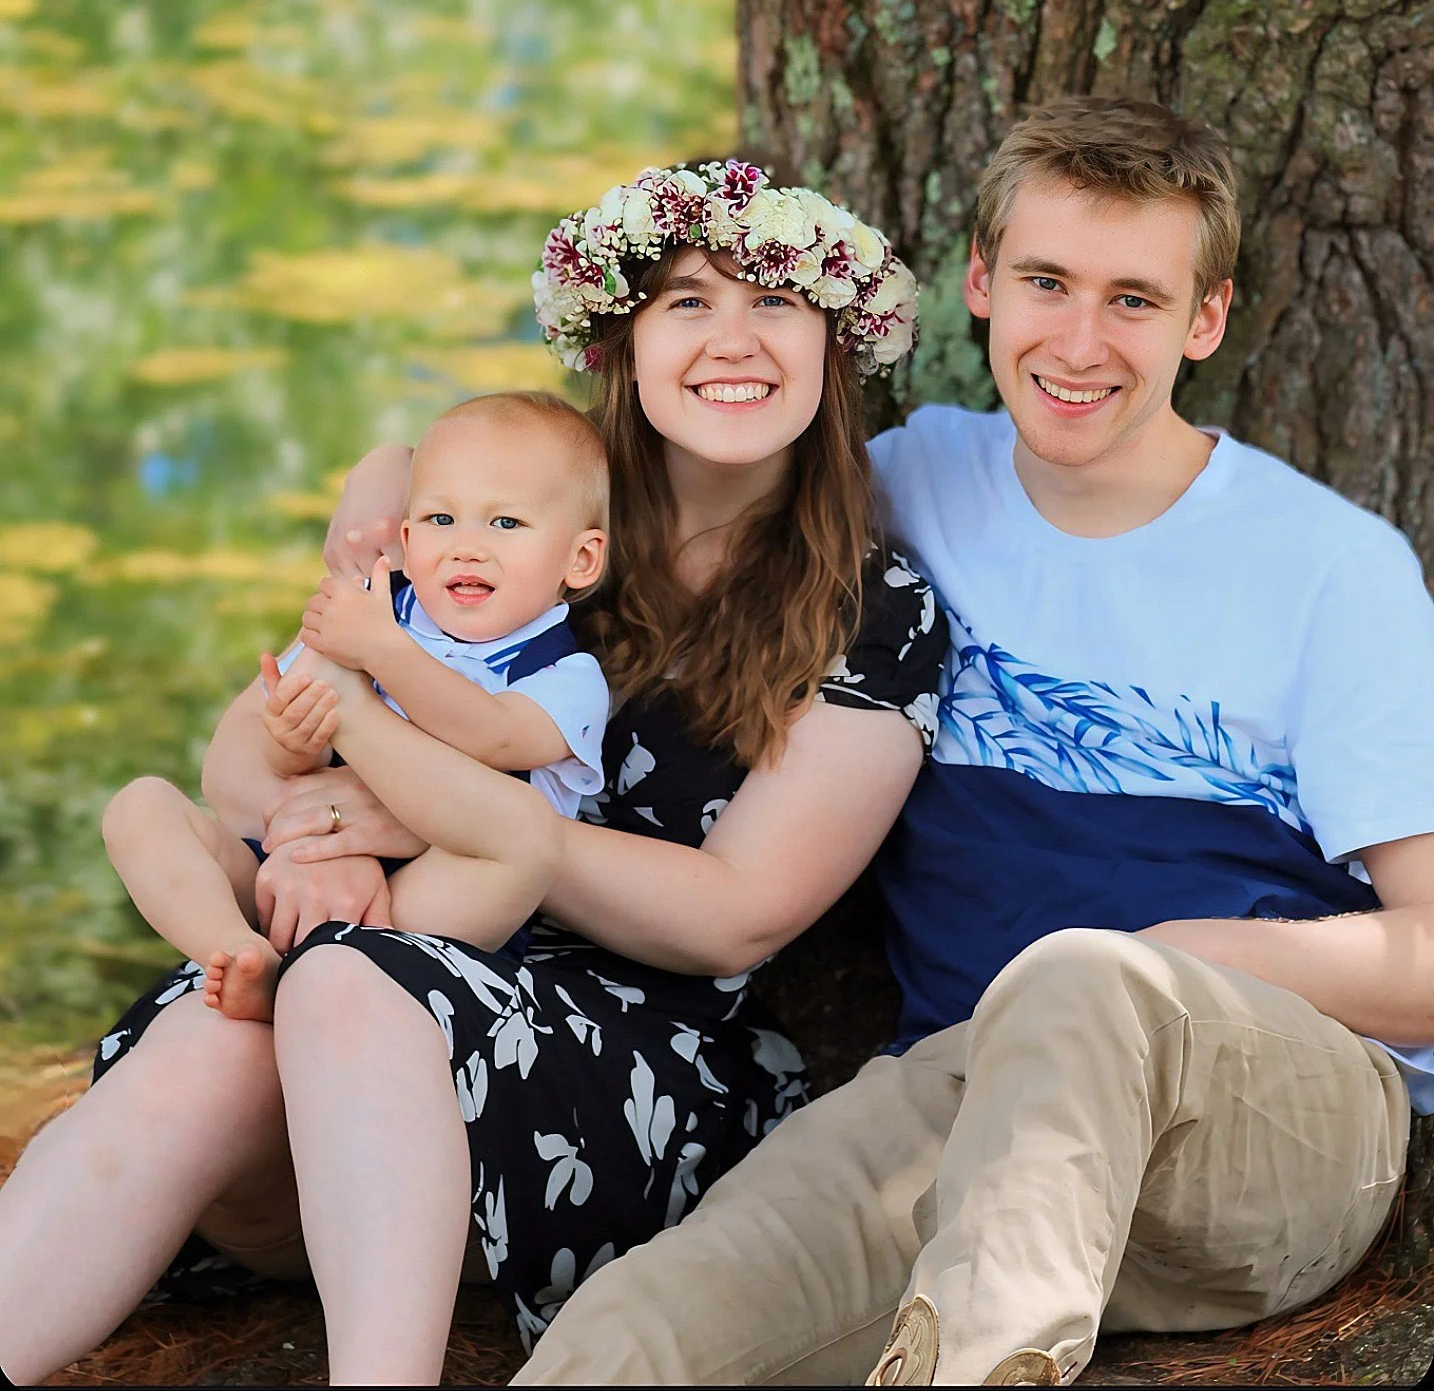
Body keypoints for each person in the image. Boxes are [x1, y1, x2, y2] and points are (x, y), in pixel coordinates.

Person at [511, 97, 1434, 1390]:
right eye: (1046, 281)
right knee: (635, 1329)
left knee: (1078, 987)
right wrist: (407, 484)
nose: (1077, 338)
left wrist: (1162, 962)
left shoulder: (1330, 568)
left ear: (1204, 319)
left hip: (1267, 1106)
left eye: (1133, 298)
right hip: (961, 1092)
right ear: (979, 284)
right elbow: (670, 485)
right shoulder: (905, 483)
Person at [0, 158, 946, 1389]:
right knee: (226, 1024)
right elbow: (241, 771)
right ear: (618, 342)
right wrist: (315, 812)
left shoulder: (873, 608)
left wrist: (428, 811)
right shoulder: (490, 518)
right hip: (365, 945)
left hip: (626, 1044)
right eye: (687, 302)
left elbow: (737, 913)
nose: (735, 338)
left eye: (775, 302)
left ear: (836, 344)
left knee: (339, 981)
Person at [100, 392, 610, 1021]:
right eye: (439, 521)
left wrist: (380, 656)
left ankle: (350, 969)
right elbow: (277, 764)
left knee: (523, 843)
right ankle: (236, 952)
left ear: (580, 559)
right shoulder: (373, 608)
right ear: (403, 535)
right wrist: (293, 736)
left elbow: (496, 739)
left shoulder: (564, 673)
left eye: (505, 523)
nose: (466, 547)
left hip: (426, 901)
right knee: (141, 806)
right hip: (289, 864)